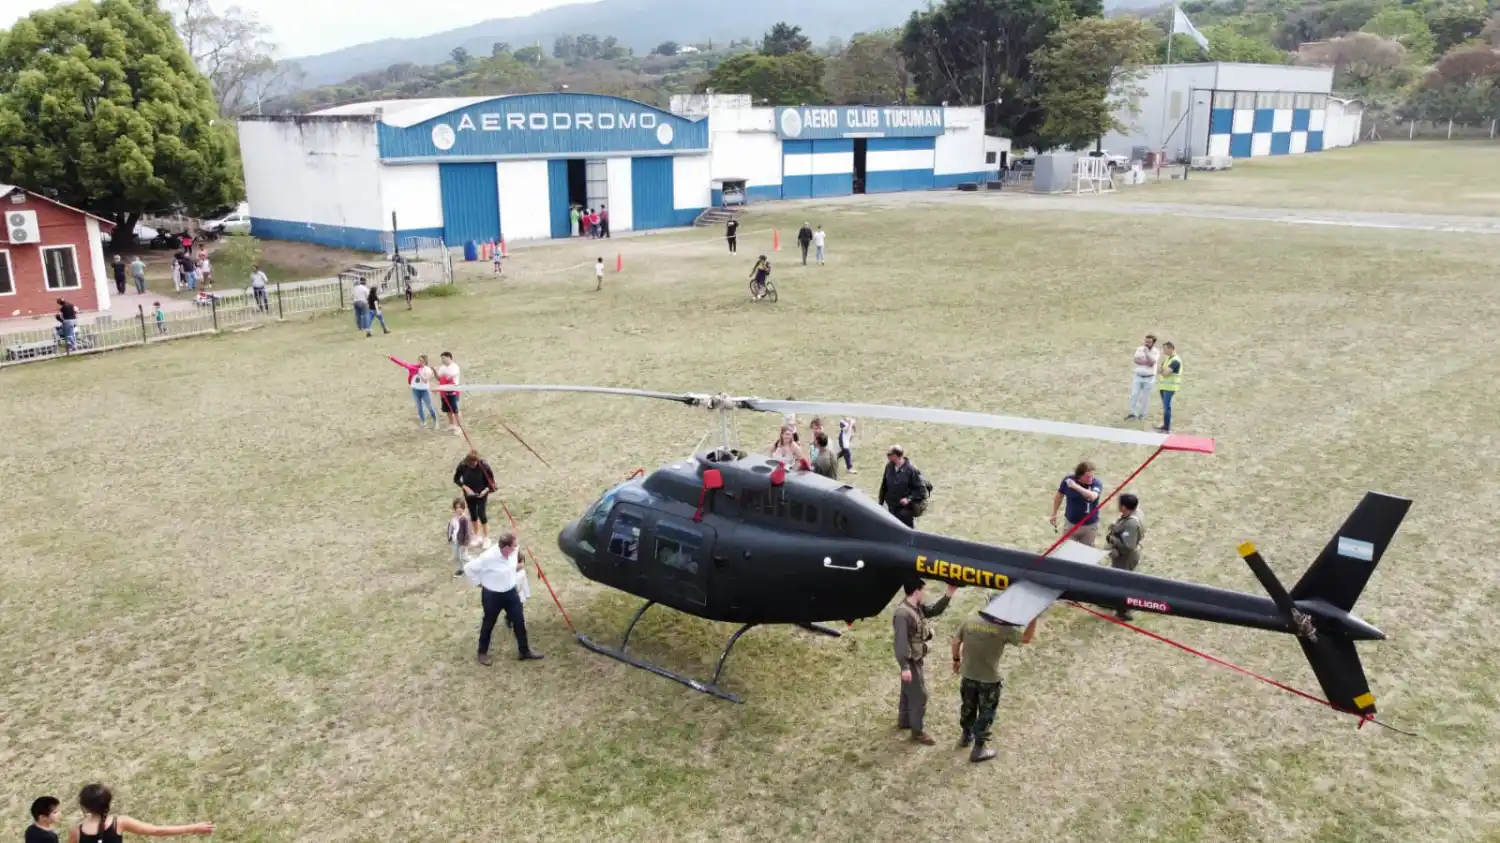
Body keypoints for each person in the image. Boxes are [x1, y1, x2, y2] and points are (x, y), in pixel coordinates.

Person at [951, 607, 1038, 762]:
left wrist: (956, 660)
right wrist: (1034, 617)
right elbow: (1026, 638)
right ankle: (978, 749)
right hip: (989, 680)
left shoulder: (970, 621)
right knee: (986, 713)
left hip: (968, 675)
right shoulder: (1003, 629)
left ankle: (966, 735)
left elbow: (956, 640)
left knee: (968, 706)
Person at [893, 579, 958, 745]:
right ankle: (917, 732)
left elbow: (934, 610)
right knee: (920, 695)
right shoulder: (903, 614)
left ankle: (905, 720)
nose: (925, 593)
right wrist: (905, 667)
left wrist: (950, 591)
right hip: (911, 660)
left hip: (916, 657)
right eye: (923, 590)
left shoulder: (917, 607)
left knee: (908, 690)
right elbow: (901, 642)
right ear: (916, 591)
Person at [464, 532, 545, 665]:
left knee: (519, 620)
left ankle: (524, 651)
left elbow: (514, 564)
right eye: (514, 545)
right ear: (506, 548)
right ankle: (482, 652)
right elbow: (469, 568)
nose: (517, 547)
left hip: (510, 593)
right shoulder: (488, 557)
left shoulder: (513, 551)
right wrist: (479, 583)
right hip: (492, 596)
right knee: (489, 623)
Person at [67, 783, 213, 842]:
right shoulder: (120, 822)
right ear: (108, 803)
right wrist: (194, 828)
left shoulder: (76, 832)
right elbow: (157, 831)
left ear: (84, 807)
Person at [1105, 493, 1146, 620]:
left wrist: (1113, 539)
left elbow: (1128, 546)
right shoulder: (1134, 515)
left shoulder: (1131, 524)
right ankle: (1112, 602)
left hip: (1125, 558)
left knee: (1121, 584)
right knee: (1116, 581)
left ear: (1123, 507)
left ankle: (1124, 611)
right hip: (1123, 557)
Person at [1050, 461, 1104, 547]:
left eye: (1092, 475)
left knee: (1086, 554)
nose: (1091, 478)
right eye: (1088, 476)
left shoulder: (1096, 484)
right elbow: (1059, 496)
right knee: (1067, 550)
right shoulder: (1068, 481)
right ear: (1080, 475)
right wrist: (1054, 513)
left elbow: (1093, 496)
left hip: (1089, 527)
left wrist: (1075, 486)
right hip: (1071, 524)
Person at [878, 445, 929, 528]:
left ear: (895, 456)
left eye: (889, 455)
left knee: (906, 530)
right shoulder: (889, 466)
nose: (887, 456)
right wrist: (880, 502)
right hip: (891, 506)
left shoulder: (911, 470)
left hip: (905, 509)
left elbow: (921, 490)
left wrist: (908, 499)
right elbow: (884, 485)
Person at [454, 450, 496, 545]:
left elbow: (491, 482)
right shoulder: (463, 466)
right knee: (473, 514)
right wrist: (466, 488)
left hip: (482, 493)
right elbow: (456, 479)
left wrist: (485, 491)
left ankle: (486, 538)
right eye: (469, 465)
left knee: (482, 514)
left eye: (473, 465)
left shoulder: (484, 466)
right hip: (469, 494)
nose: (471, 467)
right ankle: (476, 535)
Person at [389, 354, 437, 429]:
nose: (420, 362)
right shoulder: (414, 367)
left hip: (424, 391)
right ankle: (424, 422)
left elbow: (425, 380)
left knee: (429, 406)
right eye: (419, 360)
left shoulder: (428, 370)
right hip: (415, 390)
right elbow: (403, 364)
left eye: (422, 361)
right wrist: (392, 358)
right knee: (419, 407)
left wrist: (420, 373)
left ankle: (435, 420)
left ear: (425, 362)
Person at [1126, 333, 1160, 422]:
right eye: (1146, 341)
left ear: (1153, 343)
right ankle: (1133, 413)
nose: (1146, 343)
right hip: (1138, 376)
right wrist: (1146, 362)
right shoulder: (1139, 349)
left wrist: (1146, 353)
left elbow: (1152, 362)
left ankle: (1142, 414)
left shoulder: (1155, 351)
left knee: (1145, 397)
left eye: (1149, 342)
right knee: (1134, 394)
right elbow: (1136, 360)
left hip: (1149, 378)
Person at [1157, 341, 1182, 433]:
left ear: (1171, 348)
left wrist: (1163, 371)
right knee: (1165, 407)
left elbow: (1166, 373)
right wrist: (1163, 370)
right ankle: (1165, 425)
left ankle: (1166, 428)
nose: (1163, 351)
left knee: (1167, 408)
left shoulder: (1176, 360)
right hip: (1163, 386)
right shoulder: (1167, 359)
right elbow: (1159, 369)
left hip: (1170, 388)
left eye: (1165, 349)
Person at [436, 351, 462, 433]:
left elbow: (452, 374)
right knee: (447, 409)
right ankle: (452, 424)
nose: (442, 360)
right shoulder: (442, 367)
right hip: (444, 391)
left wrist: (443, 373)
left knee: (455, 410)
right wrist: (434, 372)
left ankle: (459, 427)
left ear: (449, 357)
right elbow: (439, 378)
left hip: (454, 391)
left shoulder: (455, 366)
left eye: (443, 358)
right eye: (441, 358)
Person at [448, 497, 475, 577]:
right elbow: (451, 528)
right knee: (456, 556)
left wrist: (465, 543)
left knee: (463, 557)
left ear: (463, 508)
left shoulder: (465, 519)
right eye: (456, 508)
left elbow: (467, 532)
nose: (458, 509)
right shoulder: (453, 518)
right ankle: (461, 568)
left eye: (460, 507)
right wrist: (449, 537)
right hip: (455, 541)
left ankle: (467, 567)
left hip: (462, 541)